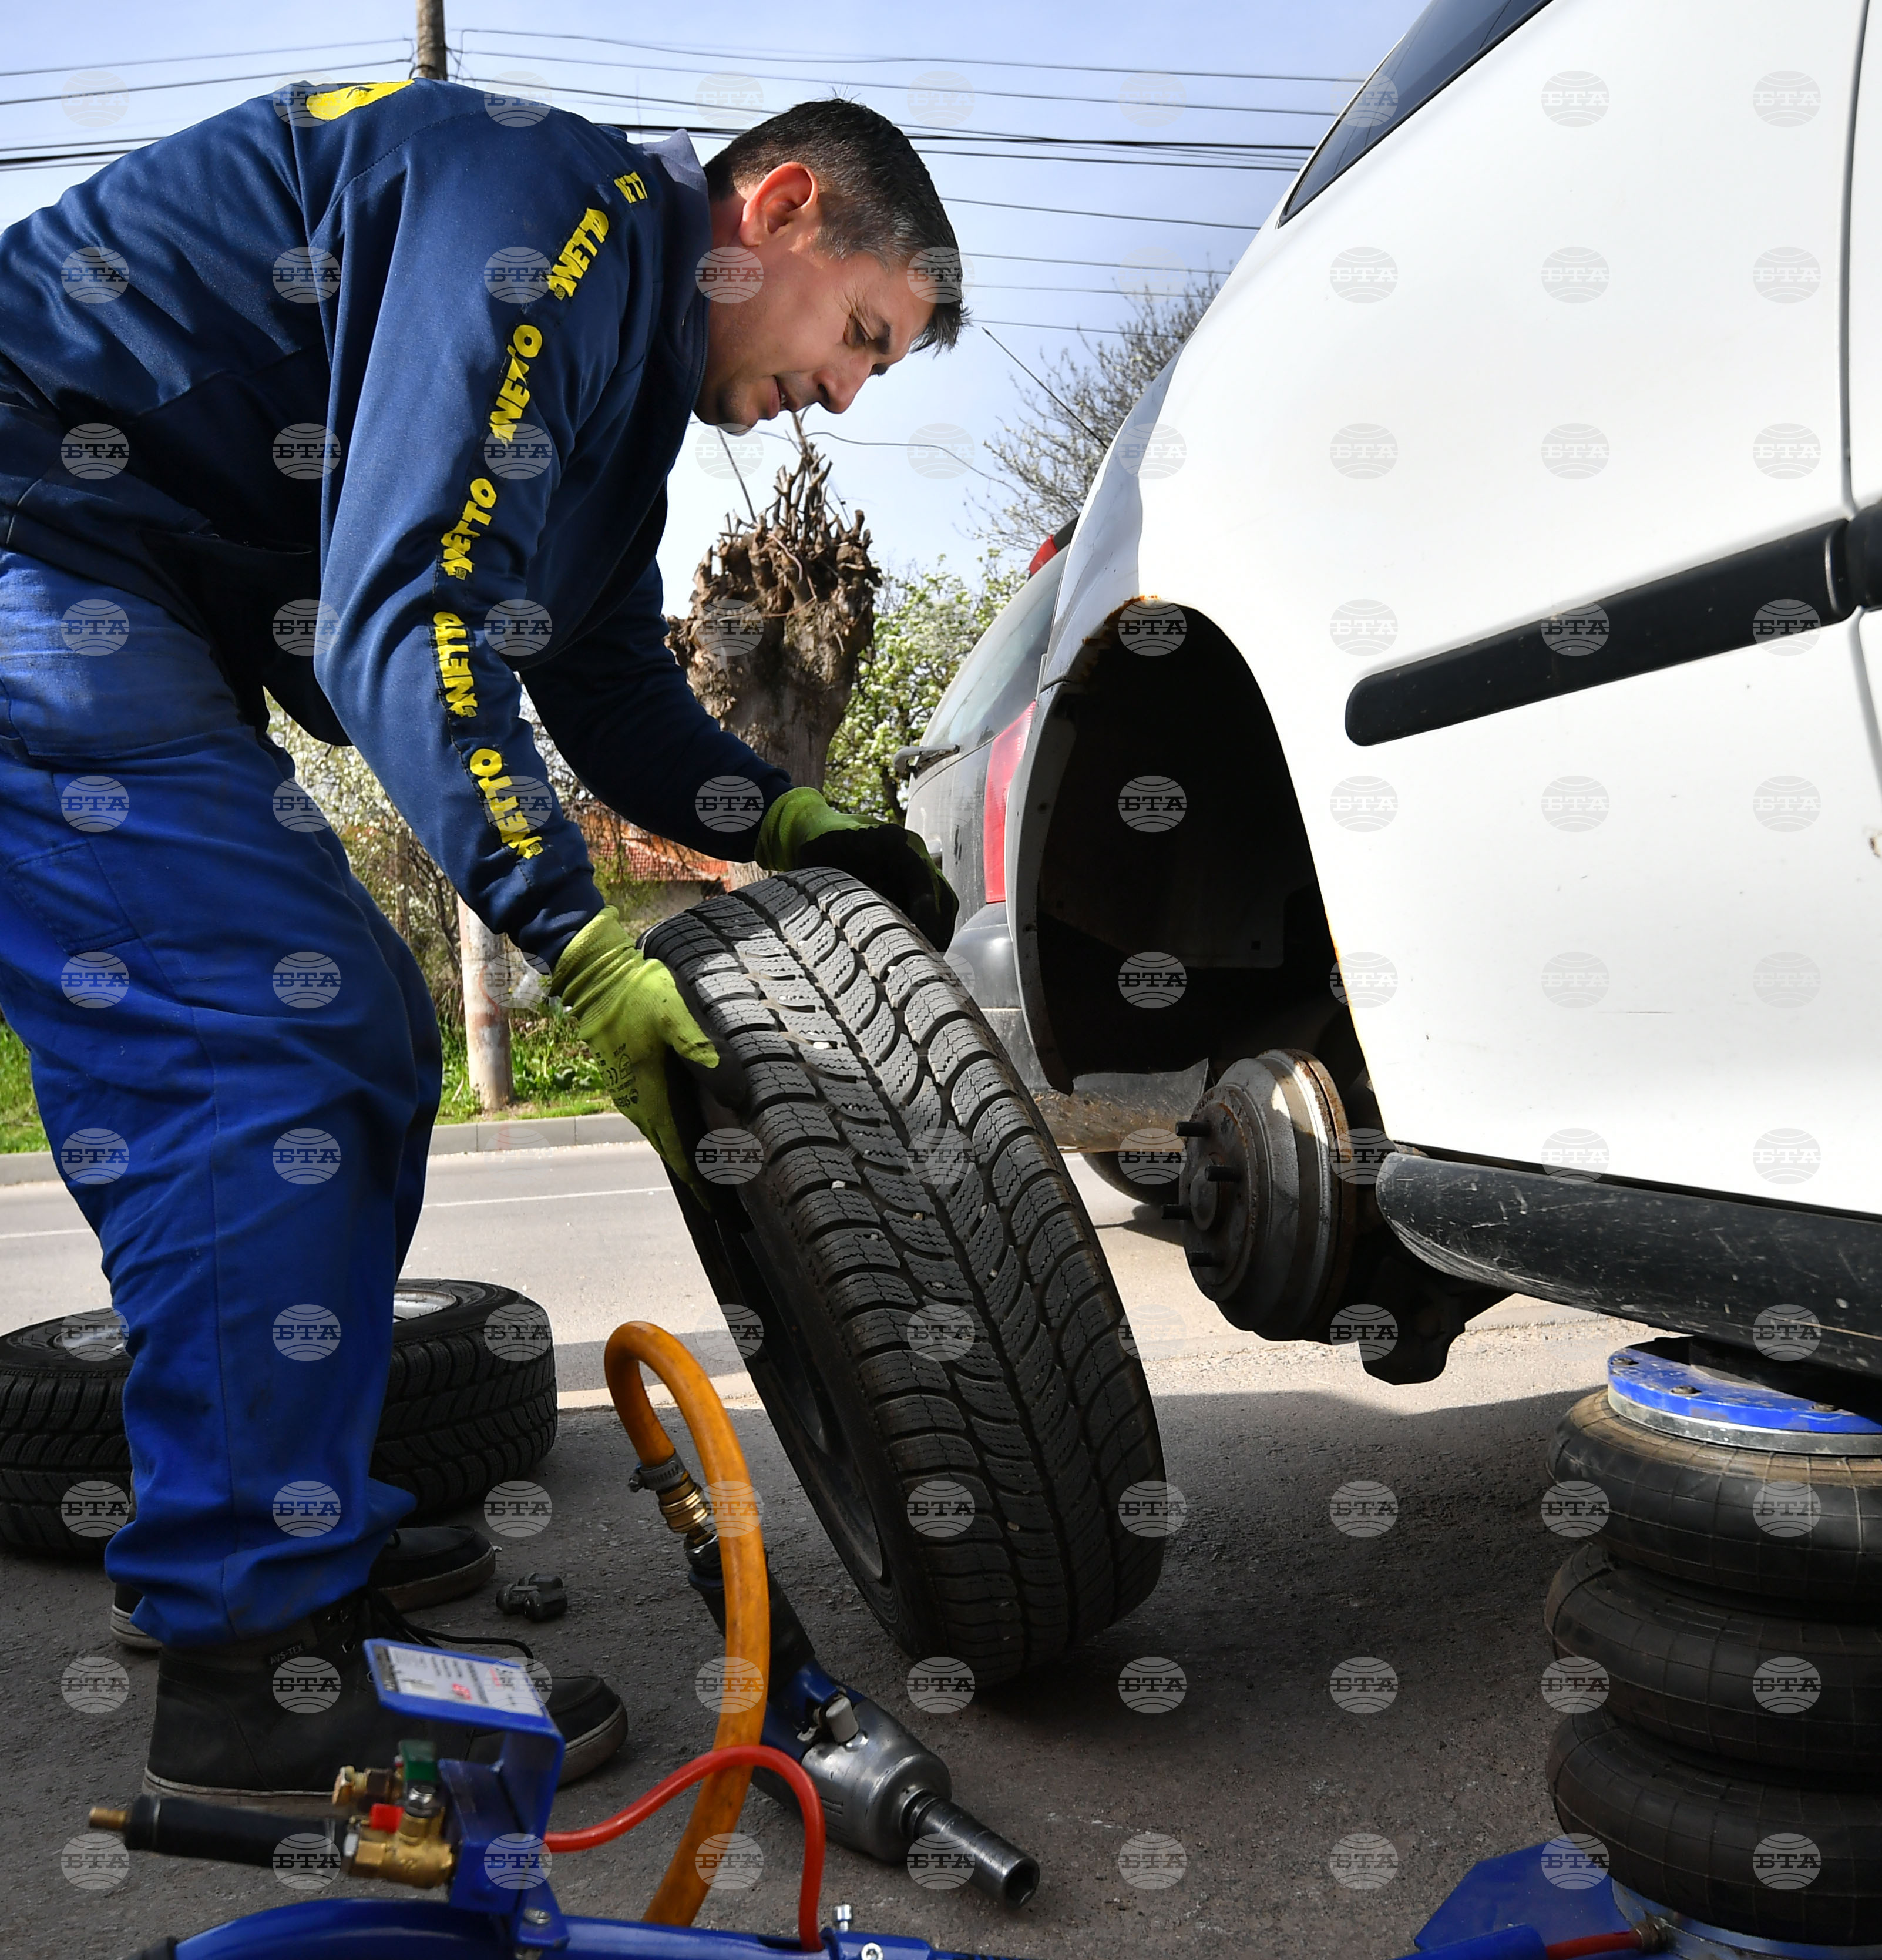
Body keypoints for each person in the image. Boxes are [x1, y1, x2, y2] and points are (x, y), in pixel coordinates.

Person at [0, 79, 962, 1804]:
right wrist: (578, 951)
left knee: (344, 1031)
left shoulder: (616, 378)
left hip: (109, 571)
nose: (837, 393)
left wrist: (782, 813)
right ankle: (253, 1663)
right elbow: (404, 616)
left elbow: (593, 670)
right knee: (269, 1046)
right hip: (29, 538)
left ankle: (277, 1530)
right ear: (785, 209)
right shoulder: (551, 212)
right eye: (864, 335)